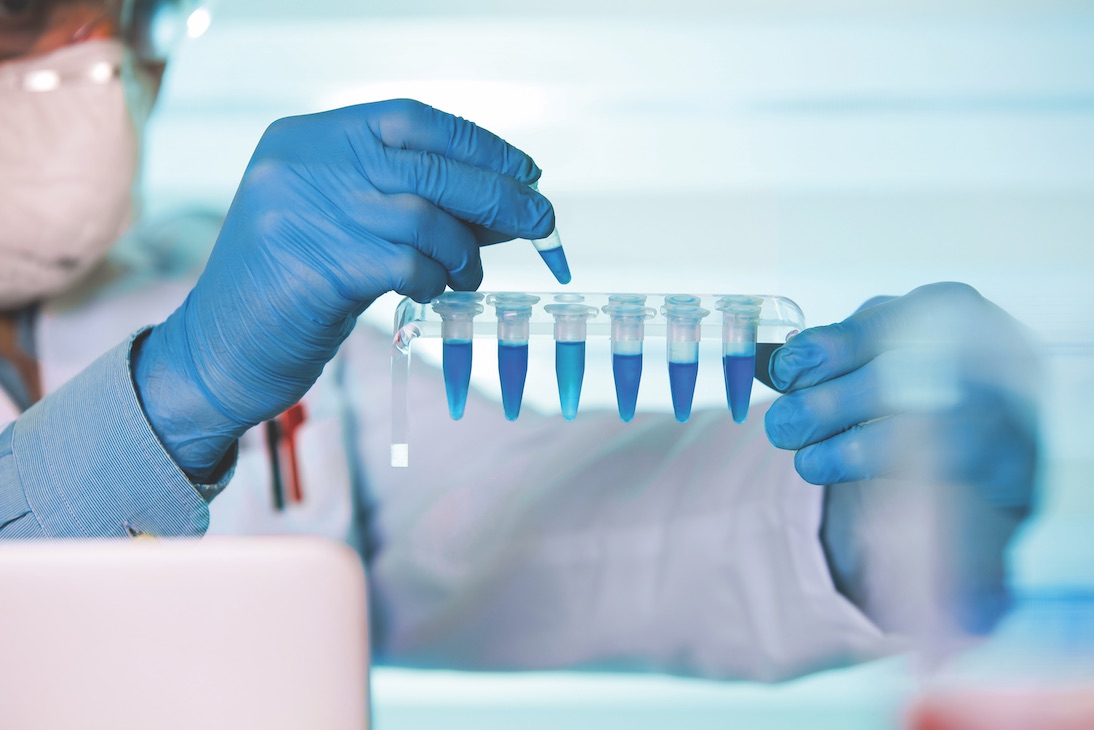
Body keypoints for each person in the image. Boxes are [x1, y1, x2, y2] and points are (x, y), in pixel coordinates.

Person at [0, 0, 1037, 678]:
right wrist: (171, 396)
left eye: (135, 13)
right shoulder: (211, 337)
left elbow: (565, 530)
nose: (100, 62)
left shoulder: (226, 292)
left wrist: (859, 508)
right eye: (30, 13)